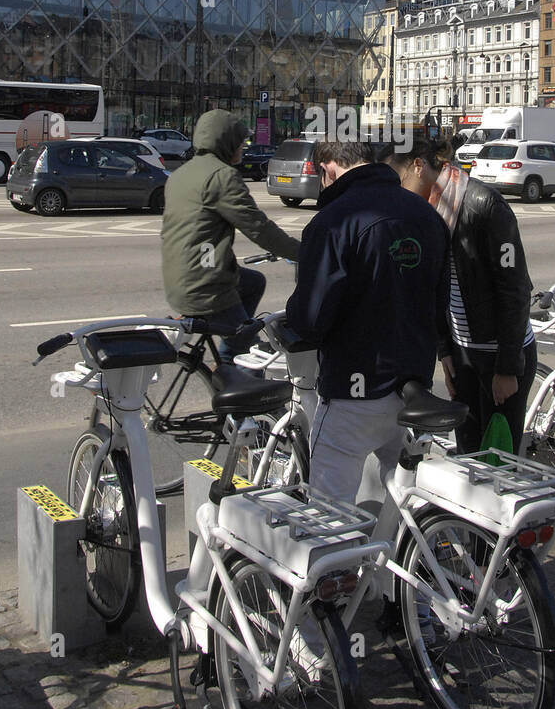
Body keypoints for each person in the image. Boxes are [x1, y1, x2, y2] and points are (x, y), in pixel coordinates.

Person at [283, 138, 450, 507]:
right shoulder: (426, 214)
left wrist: (293, 314)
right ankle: (428, 552)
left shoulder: (332, 221)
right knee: (409, 493)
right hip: (412, 386)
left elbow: (310, 320)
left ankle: (336, 564)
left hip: (355, 389)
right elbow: (441, 305)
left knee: (330, 508)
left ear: (327, 169)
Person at [383, 138, 535, 455]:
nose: (395, 192)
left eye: (397, 181)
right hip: (464, 353)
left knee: (498, 459)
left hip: (499, 353)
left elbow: (515, 288)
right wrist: (446, 351)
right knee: (468, 452)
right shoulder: (428, 212)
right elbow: (439, 287)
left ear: (418, 166)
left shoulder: (484, 205)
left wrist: (506, 368)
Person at [160, 110, 302, 363]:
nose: (244, 147)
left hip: (178, 279)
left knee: (254, 282)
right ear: (226, 142)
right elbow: (259, 229)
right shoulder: (222, 177)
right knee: (253, 356)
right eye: (241, 142)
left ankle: (230, 346)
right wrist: (304, 253)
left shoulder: (182, 173)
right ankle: (237, 363)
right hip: (205, 288)